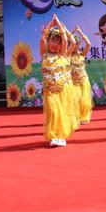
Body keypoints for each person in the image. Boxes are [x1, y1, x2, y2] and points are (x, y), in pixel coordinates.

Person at [40, 14, 78, 147]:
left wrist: (59, 24)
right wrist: (51, 25)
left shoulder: (62, 55)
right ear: (48, 41)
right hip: (50, 91)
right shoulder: (44, 54)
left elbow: (67, 41)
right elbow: (42, 39)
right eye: (52, 41)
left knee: (62, 111)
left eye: (58, 42)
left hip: (62, 90)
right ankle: (54, 136)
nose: (55, 44)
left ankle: (61, 136)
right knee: (53, 112)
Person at [70, 26, 93, 125]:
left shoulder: (82, 54)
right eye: (73, 44)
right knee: (75, 100)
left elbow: (88, 44)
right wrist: (70, 34)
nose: (75, 47)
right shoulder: (67, 55)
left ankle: (83, 117)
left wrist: (80, 32)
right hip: (73, 82)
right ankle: (76, 117)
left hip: (83, 80)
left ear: (79, 45)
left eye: (77, 44)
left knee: (84, 101)